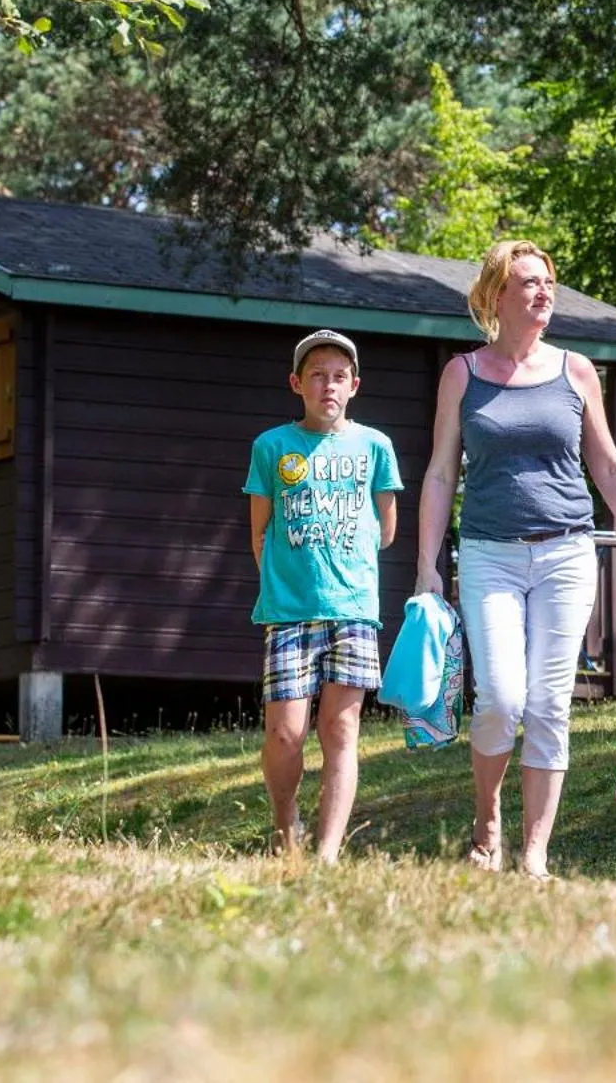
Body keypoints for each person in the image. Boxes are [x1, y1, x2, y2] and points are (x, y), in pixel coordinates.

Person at [417, 239, 616, 880]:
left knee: (550, 702)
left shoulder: (576, 371)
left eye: (549, 281)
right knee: (499, 697)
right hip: (489, 554)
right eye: (529, 281)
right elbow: (442, 474)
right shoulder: (462, 374)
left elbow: (608, 466)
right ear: (497, 294)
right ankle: (487, 821)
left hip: (566, 555)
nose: (544, 291)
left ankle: (534, 857)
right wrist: (427, 567)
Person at [245, 328, 403, 864]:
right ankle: (286, 825)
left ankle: (328, 853)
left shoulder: (375, 446)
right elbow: (259, 533)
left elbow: (386, 528)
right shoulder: (272, 447)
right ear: (297, 383)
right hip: (288, 611)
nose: (328, 385)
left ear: (354, 385)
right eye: (317, 376)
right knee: (286, 734)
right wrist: (292, 579)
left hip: (353, 609)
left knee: (341, 728)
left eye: (339, 376)